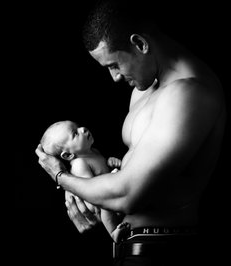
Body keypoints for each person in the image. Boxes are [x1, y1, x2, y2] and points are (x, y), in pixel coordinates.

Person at [35, 0, 227, 265]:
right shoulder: (143, 90)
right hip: (131, 247)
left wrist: (60, 175)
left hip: (163, 251)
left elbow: (128, 195)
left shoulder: (189, 94)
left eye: (114, 65)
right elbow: (134, 165)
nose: (114, 78)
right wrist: (79, 180)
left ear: (140, 44)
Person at [40, 120, 128, 242]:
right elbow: (92, 189)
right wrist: (112, 176)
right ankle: (113, 232)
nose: (83, 129)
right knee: (105, 208)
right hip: (95, 204)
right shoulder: (79, 164)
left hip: (109, 193)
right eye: (75, 133)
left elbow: (101, 171)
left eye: (78, 127)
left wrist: (110, 163)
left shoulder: (94, 152)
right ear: (67, 156)